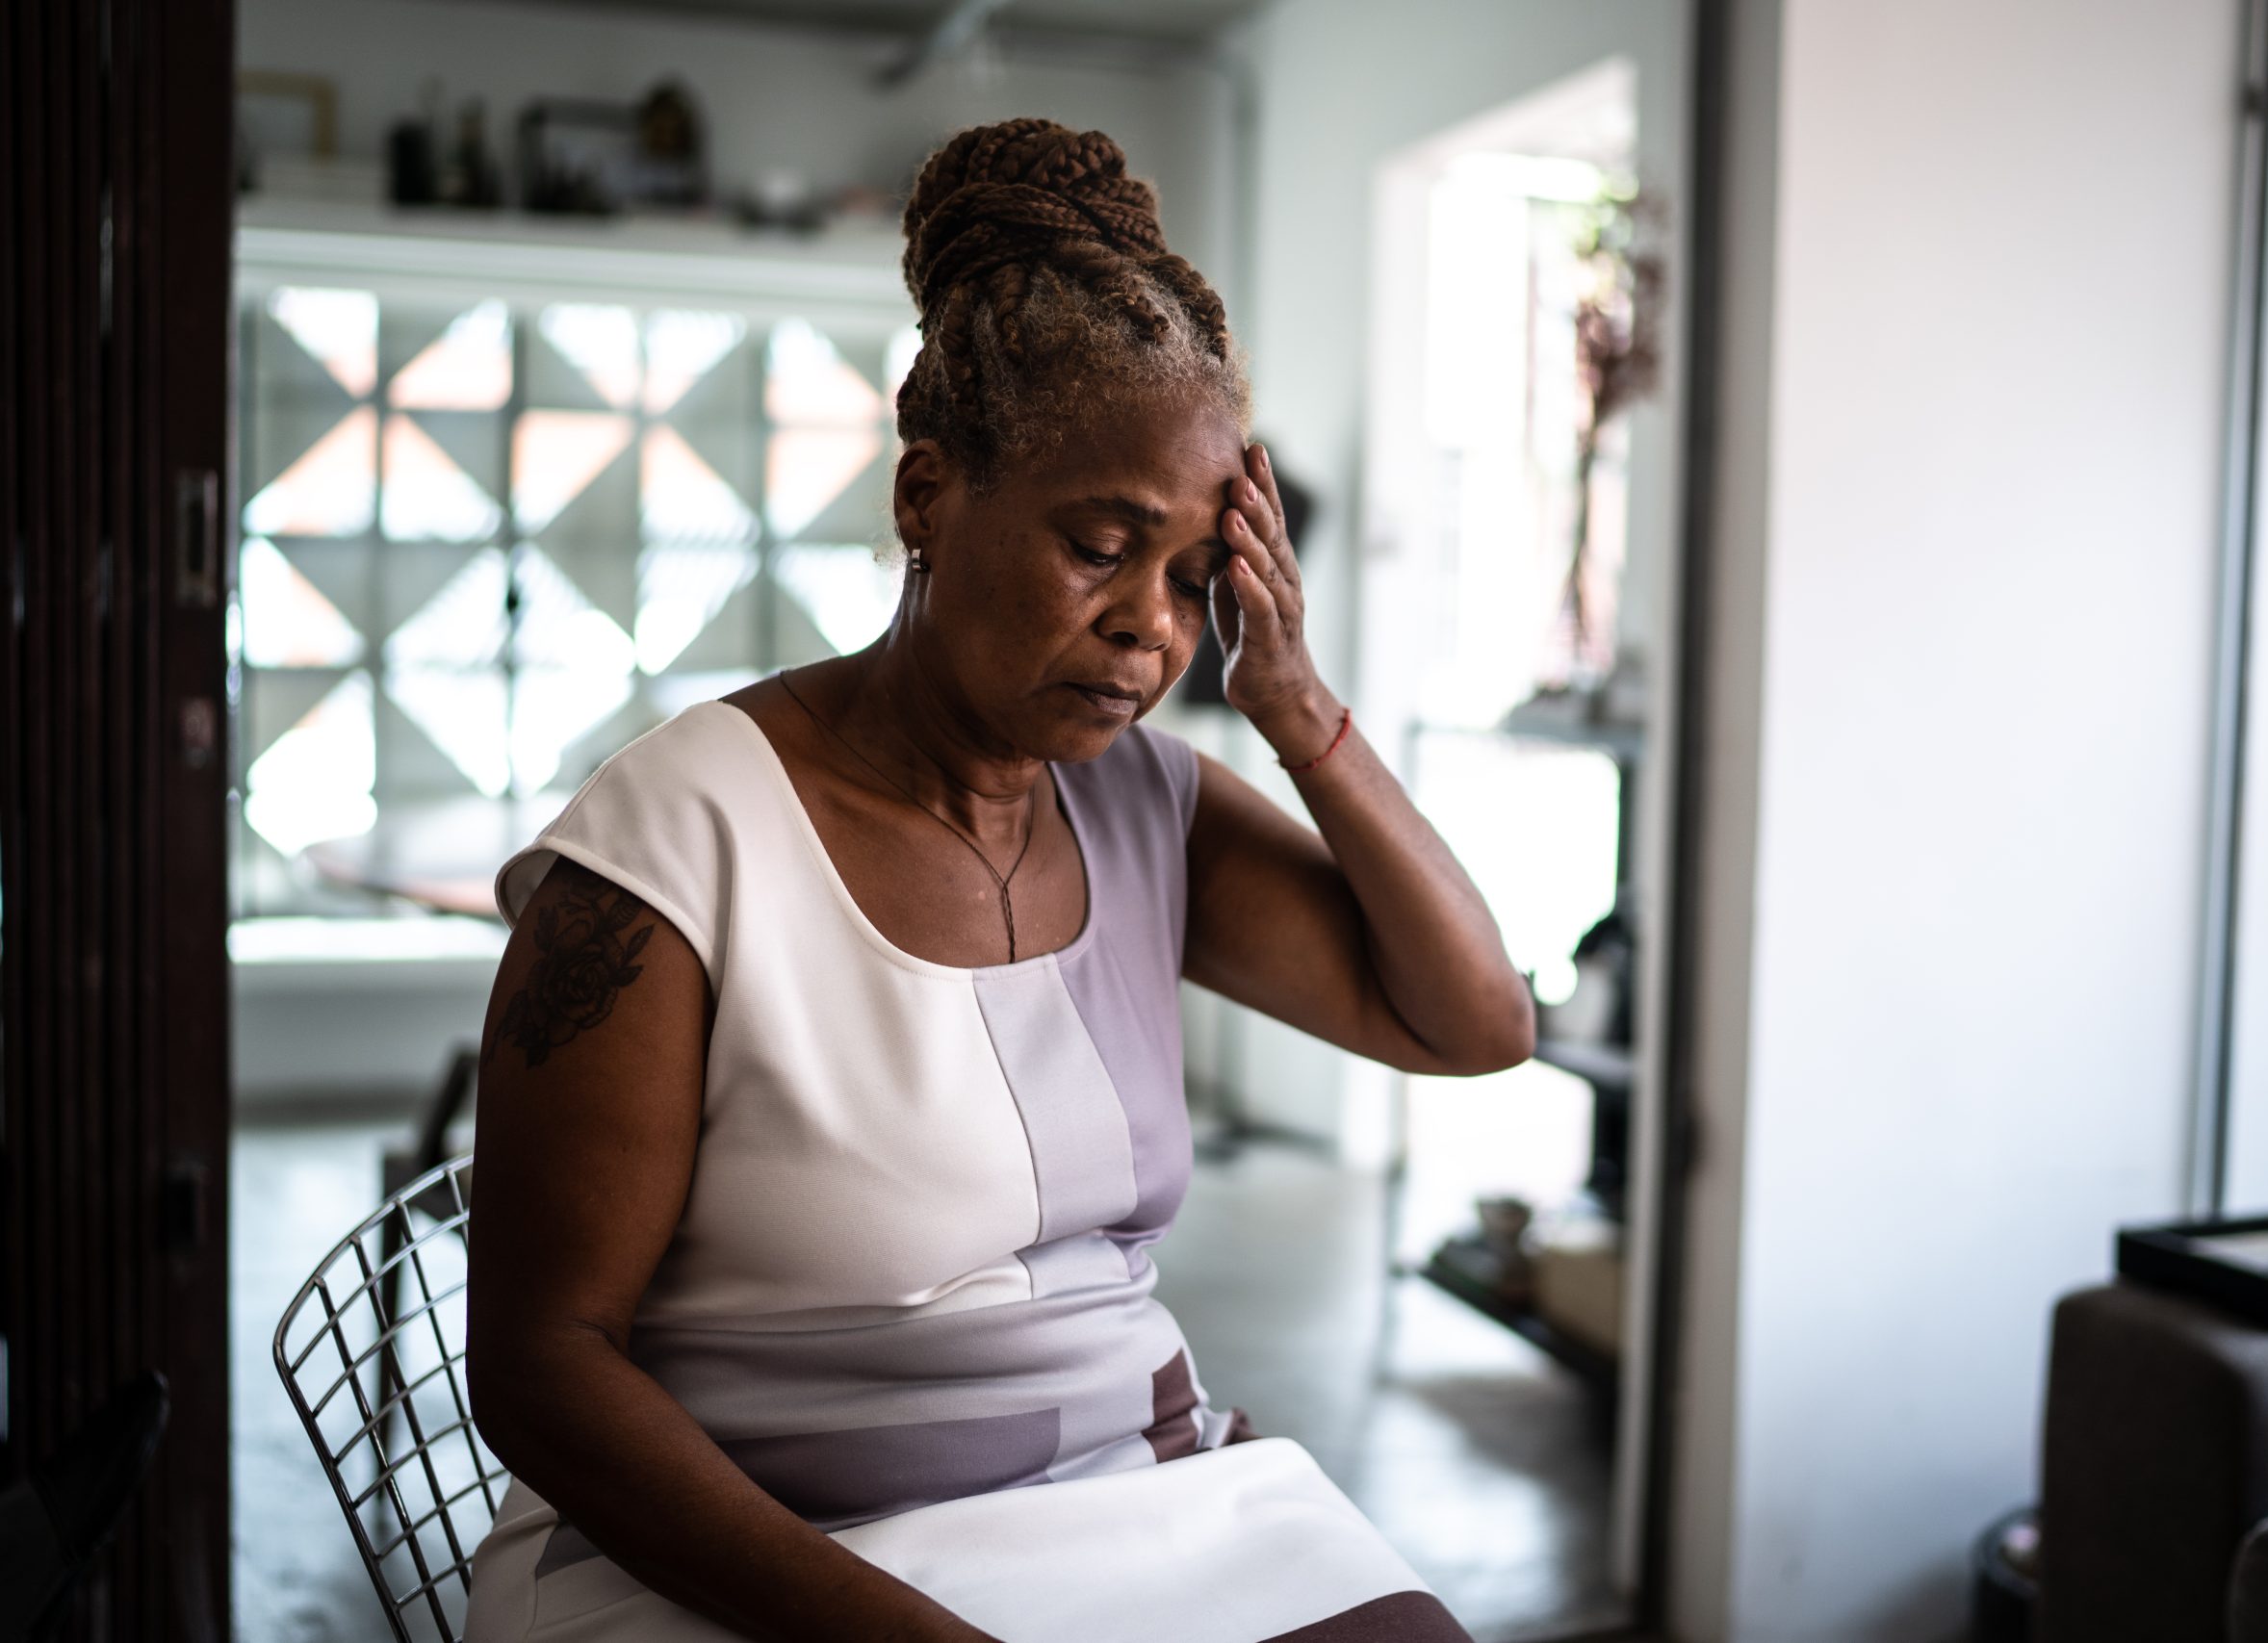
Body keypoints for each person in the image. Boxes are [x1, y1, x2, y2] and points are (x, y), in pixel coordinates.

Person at [459, 117, 1533, 1642]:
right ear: (925, 498)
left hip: (1120, 1497)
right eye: (1102, 547)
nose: (1149, 631)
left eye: (1190, 577)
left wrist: (1293, 707)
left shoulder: (1143, 801)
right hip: (758, 1551)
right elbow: (542, 1368)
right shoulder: (675, 847)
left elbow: (1475, 1022)